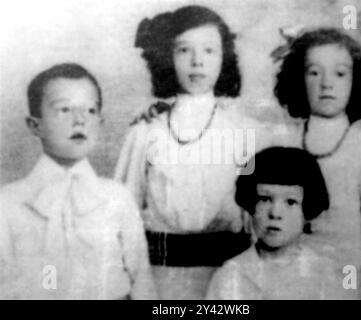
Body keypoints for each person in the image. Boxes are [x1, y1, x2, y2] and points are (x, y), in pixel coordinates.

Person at [115, 5, 286, 299]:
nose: (197, 62)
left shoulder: (246, 135)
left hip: (231, 281)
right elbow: (121, 215)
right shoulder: (146, 132)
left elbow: (259, 211)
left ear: (224, 59)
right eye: (184, 50)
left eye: (209, 50)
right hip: (158, 282)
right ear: (167, 57)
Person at [0, 63, 156, 299]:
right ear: (35, 125)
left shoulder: (116, 197)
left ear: (100, 123)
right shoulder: (9, 203)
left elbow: (141, 279)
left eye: (91, 111)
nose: (80, 120)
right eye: (64, 109)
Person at [274, 27, 361, 298]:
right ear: (298, 78)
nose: (326, 84)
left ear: (356, 81)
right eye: (314, 72)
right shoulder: (277, 146)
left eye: (340, 73)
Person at [206, 147, 351, 299]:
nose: (275, 213)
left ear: (307, 208)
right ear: (251, 204)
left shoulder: (325, 274)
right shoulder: (230, 276)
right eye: (264, 199)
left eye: (290, 202)